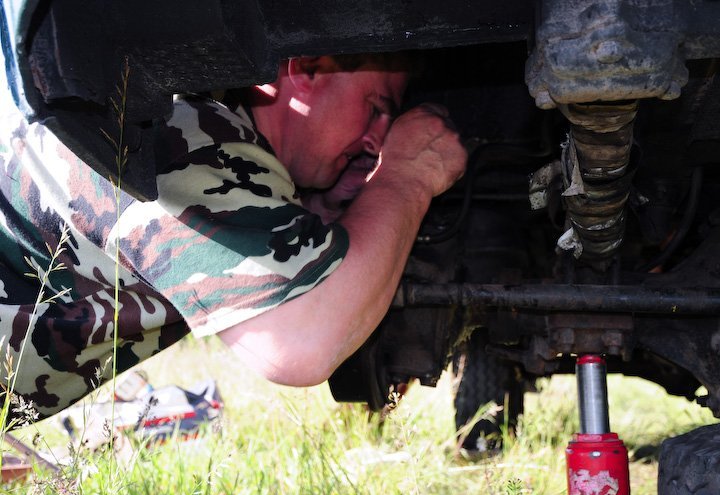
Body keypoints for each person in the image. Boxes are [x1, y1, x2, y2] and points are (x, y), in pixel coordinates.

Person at [0, 52, 467, 424]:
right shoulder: (186, 129)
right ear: (307, 68)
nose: (377, 141)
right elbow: (295, 347)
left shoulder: (213, 126)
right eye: (376, 108)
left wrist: (319, 214)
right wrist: (407, 175)